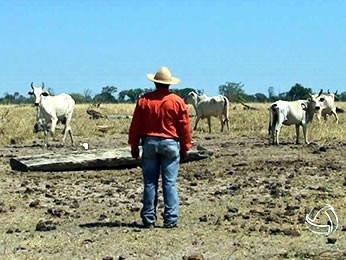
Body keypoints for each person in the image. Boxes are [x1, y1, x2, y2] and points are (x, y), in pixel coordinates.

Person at [128, 66, 192, 228]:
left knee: (150, 183)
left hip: (149, 144)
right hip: (170, 144)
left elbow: (135, 125)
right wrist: (185, 147)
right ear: (169, 84)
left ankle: (149, 218)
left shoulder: (144, 100)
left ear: (155, 83)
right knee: (169, 183)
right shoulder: (177, 101)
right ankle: (170, 219)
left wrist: (134, 146)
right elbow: (184, 127)